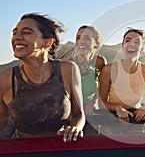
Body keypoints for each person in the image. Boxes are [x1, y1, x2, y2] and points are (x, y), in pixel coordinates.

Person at [0, 13, 85, 142]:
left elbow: (78, 114)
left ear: (47, 42)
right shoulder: (6, 78)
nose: (17, 37)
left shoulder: (68, 70)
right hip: (22, 152)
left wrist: (75, 128)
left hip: (62, 147)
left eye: (26, 32)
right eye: (15, 33)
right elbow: (3, 116)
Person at [99, 27, 145, 134]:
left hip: (136, 120)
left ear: (142, 48)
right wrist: (117, 108)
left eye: (137, 42)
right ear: (123, 46)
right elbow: (101, 102)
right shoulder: (108, 70)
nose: (131, 44)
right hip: (111, 120)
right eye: (128, 40)